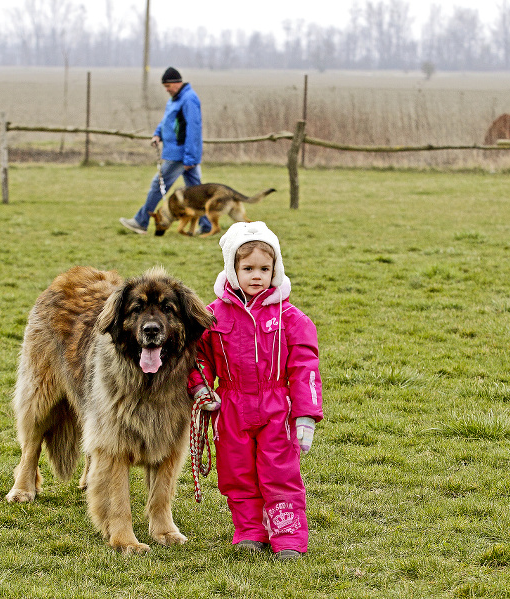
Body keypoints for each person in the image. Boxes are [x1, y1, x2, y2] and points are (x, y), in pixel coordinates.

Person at [187, 221, 323, 560]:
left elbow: (305, 366)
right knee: (237, 473)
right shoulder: (212, 316)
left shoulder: (291, 318)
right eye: (247, 268)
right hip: (231, 406)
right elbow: (196, 358)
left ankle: (288, 537)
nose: (256, 275)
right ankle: (250, 531)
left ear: (275, 269)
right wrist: (201, 387)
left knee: (280, 472)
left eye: (265, 268)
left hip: (278, 407)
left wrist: (305, 414)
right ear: (232, 270)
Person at [119, 67, 211, 235]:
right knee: (196, 190)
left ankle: (141, 221)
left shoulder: (189, 99)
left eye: (168, 86)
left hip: (180, 154)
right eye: (165, 87)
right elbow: (167, 121)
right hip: (174, 151)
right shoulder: (174, 99)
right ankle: (207, 225)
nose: (167, 90)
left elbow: (194, 129)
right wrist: (157, 134)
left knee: (157, 185)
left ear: (178, 83)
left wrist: (190, 158)